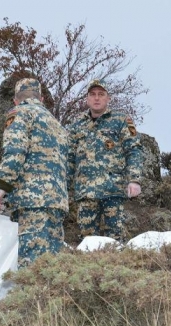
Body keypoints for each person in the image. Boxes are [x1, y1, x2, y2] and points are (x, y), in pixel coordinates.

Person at [0, 78, 69, 267]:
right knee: (54, 267)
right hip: (57, 202)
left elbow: (15, 152)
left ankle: (35, 298)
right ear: (41, 98)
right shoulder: (55, 123)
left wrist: (1, 188)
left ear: (16, 100)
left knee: (32, 266)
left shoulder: (19, 113)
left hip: (33, 201)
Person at [67, 78, 143, 241]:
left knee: (115, 241)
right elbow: (69, 160)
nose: (96, 98)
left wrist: (134, 180)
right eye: (93, 94)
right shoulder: (76, 125)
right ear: (87, 98)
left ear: (108, 98)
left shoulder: (121, 121)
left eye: (101, 94)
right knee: (87, 243)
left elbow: (134, 150)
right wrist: (63, 189)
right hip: (86, 193)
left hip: (112, 191)